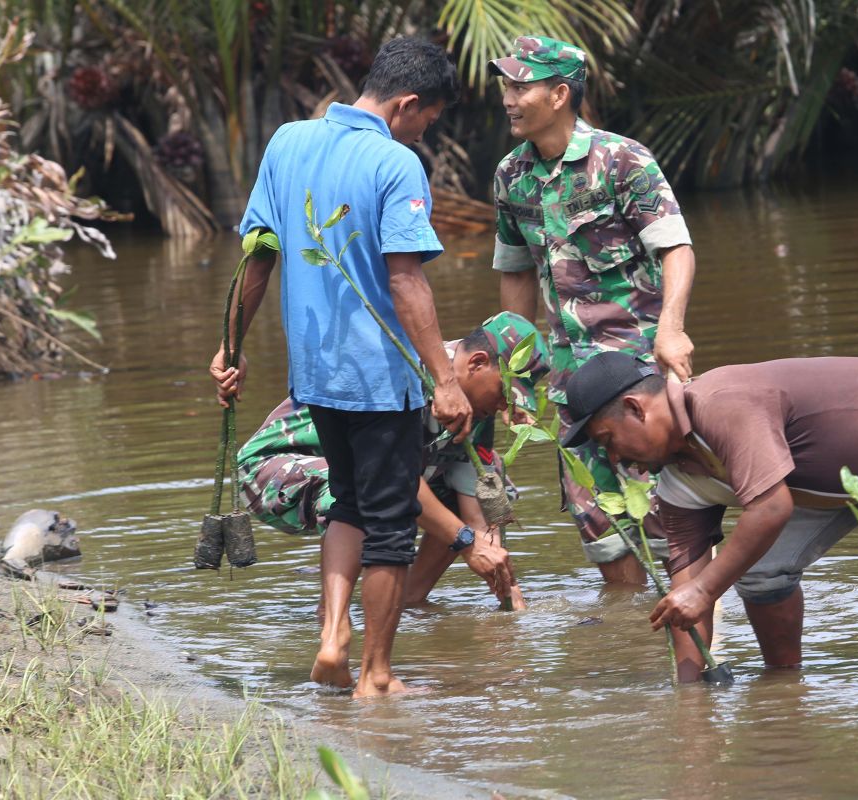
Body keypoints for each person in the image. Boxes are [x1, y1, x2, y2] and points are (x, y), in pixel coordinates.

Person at [208, 38, 472, 698]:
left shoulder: (287, 143)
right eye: (429, 117)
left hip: (316, 380)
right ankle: (376, 676)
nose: (426, 129)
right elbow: (406, 281)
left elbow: (257, 259)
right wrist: (444, 378)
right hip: (379, 380)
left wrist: (230, 349)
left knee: (347, 507)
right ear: (407, 104)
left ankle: (331, 640)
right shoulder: (396, 162)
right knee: (389, 525)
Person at [561, 352, 858, 684]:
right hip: (822, 477)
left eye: (607, 440)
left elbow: (772, 508)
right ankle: (785, 687)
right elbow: (686, 600)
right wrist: (688, 703)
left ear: (635, 408)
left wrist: (703, 591)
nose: (614, 458)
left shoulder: (719, 404)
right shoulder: (676, 484)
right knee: (762, 571)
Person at [488, 36, 698, 585]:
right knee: (598, 523)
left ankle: (697, 633)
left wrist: (671, 331)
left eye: (520, 86)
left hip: (638, 379)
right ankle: (628, 637)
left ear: (559, 94)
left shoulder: (622, 160)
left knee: (671, 515)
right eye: (505, 86)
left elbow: (676, 248)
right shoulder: (511, 176)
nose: (508, 98)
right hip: (570, 386)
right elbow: (515, 272)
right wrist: (516, 377)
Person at [237, 312, 549, 610]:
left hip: (373, 472)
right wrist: (468, 543)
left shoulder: (477, 410)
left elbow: (472, 506)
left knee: (486, 486)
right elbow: (390, 475)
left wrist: (506, 584)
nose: (502, 406)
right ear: (478, 363)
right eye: (503, 393)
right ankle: (332, 616)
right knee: (365, 486)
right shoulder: (406, 373)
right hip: (276, 469)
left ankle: (408, 601)